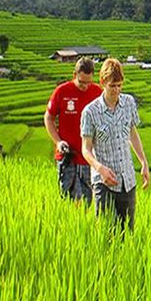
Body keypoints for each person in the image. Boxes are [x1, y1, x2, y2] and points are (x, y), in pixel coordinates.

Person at [81, 58, 150, 232]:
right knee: (106, 232)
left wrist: (143, 162)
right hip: (104, 182)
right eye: (113, 86)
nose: (117, 90)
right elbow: (86, 149)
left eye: (120, 85)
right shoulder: (90, 112)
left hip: (127, 180)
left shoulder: (128, 103)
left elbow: (132, 133)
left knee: (127, 232)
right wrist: (100, 168)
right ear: (102, 82)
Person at [44, 57, 103, 205]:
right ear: (74, 75)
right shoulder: (62, 91)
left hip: (88, 159)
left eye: (88, 82)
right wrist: (58, 142)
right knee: (67, 201)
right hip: (67, 156)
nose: (85, 86)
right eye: (82, 82)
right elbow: (49, 118)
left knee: (88, 203)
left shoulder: (97, 93)